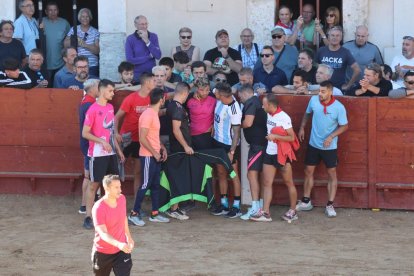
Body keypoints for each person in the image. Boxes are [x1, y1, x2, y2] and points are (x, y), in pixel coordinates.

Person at [296, 81, 348, 218]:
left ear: (331, 92)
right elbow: (307, 114)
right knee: (308, 171)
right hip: (314, 143)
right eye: (319, 91)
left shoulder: (339, 107)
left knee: (332, 173)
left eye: (323, 91)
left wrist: (331, 136)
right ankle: (306, 201)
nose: (320, 94)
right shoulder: (313, 100)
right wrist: (302, 127)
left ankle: (330, 204)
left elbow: (344, 126)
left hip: (329, 146)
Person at [82, 79, 124, 229]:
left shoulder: (111, 108)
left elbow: (111, 132)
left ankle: (110, 215)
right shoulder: (92, 109)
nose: (113, 93)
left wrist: (118, 150)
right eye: (110, 90)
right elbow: (85, 133)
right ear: (101, 91)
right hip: (97, 153)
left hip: (110, 153)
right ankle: (88, 216)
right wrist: (101, 141)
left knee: (112, 184)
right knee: (94, 185)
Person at [250, 93, 298, 222]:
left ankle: (293, 210)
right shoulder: (268, 114)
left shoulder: (284, 117)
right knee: (266, 183)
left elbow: (291, 137)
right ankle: (266, 213)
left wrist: (275, 137)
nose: (262, 106)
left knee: (289, 182)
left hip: (282, 154)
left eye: (264, 104)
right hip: (270, 152)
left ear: (270, 105)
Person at [128, 88, 170, 226]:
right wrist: (155, 152)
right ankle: (134, 213)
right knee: (145, 184)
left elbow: (152, 136)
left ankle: (155, 213)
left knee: (155, 184)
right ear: (161, 99)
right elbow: (143, 138)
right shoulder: (148, 114)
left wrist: (161, 148)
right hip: (148, 156)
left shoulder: (152, 113)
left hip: (154, 154)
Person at [115, 73, 155, 203]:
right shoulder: (132, 98)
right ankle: (111, 200)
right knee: (115, 170)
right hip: (126, 138)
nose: (157, 82)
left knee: (138, 172)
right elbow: (117, 116)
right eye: (154, 80)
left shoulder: (153, 98)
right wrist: (116, 133)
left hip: (141, 140)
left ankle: (136, 204)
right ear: (148, 83)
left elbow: (169, 96)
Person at [210, 82, 243, 218]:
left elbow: (237, 133)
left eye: (216, 93)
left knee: (233, 174)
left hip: (229, 146)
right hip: (217, 142)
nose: (214, 94)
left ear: (222, 95)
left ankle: (236, 205)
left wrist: (232, 151)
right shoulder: (221, 99)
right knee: (221, 173)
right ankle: (224, 203)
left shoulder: (234, 109)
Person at [91, 175, 134, 276]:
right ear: (107, 188)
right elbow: (103, 233)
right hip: (103, 252)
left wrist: (128, 237)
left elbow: (123, 218)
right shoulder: (98, 208)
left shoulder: (122, 199)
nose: (120, 190)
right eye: (116, 187)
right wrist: (119, 244)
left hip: (121, 250)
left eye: (120, 186)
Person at [238, 85, 267, 220]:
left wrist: (237, 125)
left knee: (252, 174)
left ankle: (256, 207)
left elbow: (248, 123)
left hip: (257, 145)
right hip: (260, 144)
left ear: (244, 94)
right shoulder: (257, 102)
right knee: (255, 174)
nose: (240, 99)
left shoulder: (250, 103)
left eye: (240, 96)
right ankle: (258, 205)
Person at [165, 82, 192, 220]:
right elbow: (176, 130)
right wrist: (186, 146)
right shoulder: (177, 108)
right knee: (177, 178)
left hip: (177, 147)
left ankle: (175, 208)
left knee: (177, 178)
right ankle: (173, 209)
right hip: (178, 148)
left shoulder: (172, 105)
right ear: (185, 93)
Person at [316, 26, 360, 94]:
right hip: (322, 88)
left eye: (337, 36)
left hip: (338, 89)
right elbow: (315, 66)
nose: (335, 38)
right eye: (332, 35)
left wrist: (348, 85)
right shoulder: (321, 51)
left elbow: (357, 70)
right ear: (328, 37)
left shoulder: (345, 52)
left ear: (341, 38)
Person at [78, 79, 99, 214]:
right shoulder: (90, 105)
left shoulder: (86, 100)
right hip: (90, 144)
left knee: (89, 176)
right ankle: (85, 205)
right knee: (90, 177)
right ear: (92, 89)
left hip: (87, 143)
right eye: (99, 86)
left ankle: (84, 205)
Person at [64, 8, 100, 77]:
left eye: (87, 16)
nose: (85, 18)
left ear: (90, 18)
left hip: (91, 65)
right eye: (83, 16)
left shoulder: (95, 31)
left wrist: (85, 45)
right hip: (77, 65)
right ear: (79, 18)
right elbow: (65, 44)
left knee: (91, 85)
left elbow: (97, 50)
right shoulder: (74, 29)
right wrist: (75, 40)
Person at [125, 15, 161, 82]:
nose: (144, 26)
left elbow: (158, 55)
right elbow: (130, 60)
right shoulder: (130, 39)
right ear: (135, 25)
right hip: (137, 76)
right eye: (142, 24)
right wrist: (148, 57)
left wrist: (147, 41)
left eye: (146, 24)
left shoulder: (153, 36)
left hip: (151, 75)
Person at [41, 1, 70, 81]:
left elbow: (70, 38)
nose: (53, 12)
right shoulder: (41, 21)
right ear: (46, 12)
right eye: (50, 10)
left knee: (60, 86)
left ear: (58, 11)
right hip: (44, 62)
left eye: (55, 10)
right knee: (46, 86)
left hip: (61, 62)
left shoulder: (64, 23)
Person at [186, 76, 216, 150]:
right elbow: (181, 90)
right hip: (192, 134)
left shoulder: (213, 98)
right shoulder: (189, 98)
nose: (205, 93)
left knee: (207, 159)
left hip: (208, 134)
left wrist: (214, 125)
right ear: (196, 89)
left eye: (207, 90)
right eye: (201, 90)